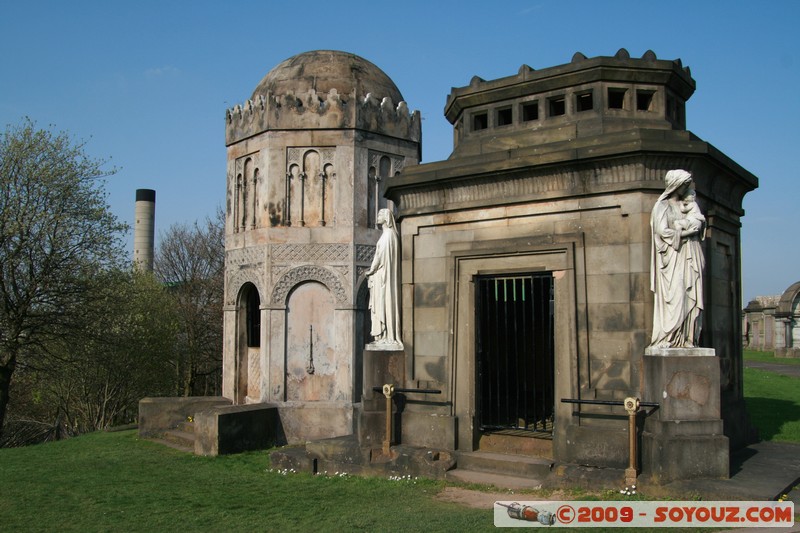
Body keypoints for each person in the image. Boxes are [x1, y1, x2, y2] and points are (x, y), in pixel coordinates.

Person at [650, 170, 705, 348]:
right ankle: (669, 338)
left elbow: (698, 221)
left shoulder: (687, 205)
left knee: (690, 295)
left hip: (690, 254)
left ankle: (688, 339)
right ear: (675, 184)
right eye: (684, 184)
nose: (686, 188)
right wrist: (687, 232)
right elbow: (662, 231)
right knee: (677, 295)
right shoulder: (662, 206)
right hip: (672, 257)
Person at [365, 208, 403, 348]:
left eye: (381, 214)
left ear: (387, 218)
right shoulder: (391, 235)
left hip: (383, 277)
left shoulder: (388, 235)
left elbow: (379, 257)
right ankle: (383, 336)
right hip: (383, 275)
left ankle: (387, 336)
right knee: (381, 305)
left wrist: (371, 271)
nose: (378, 216)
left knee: (382, 304)